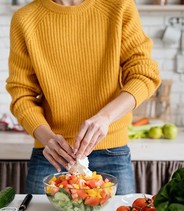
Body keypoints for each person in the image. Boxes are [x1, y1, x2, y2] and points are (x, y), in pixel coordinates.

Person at [6, 0, 161, 195]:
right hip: (51, 155)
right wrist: (48, 139)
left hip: (111, 153)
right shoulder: (25, 19)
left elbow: (144, 74)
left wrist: (105, 117)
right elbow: (22, 94)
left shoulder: (119, 6)